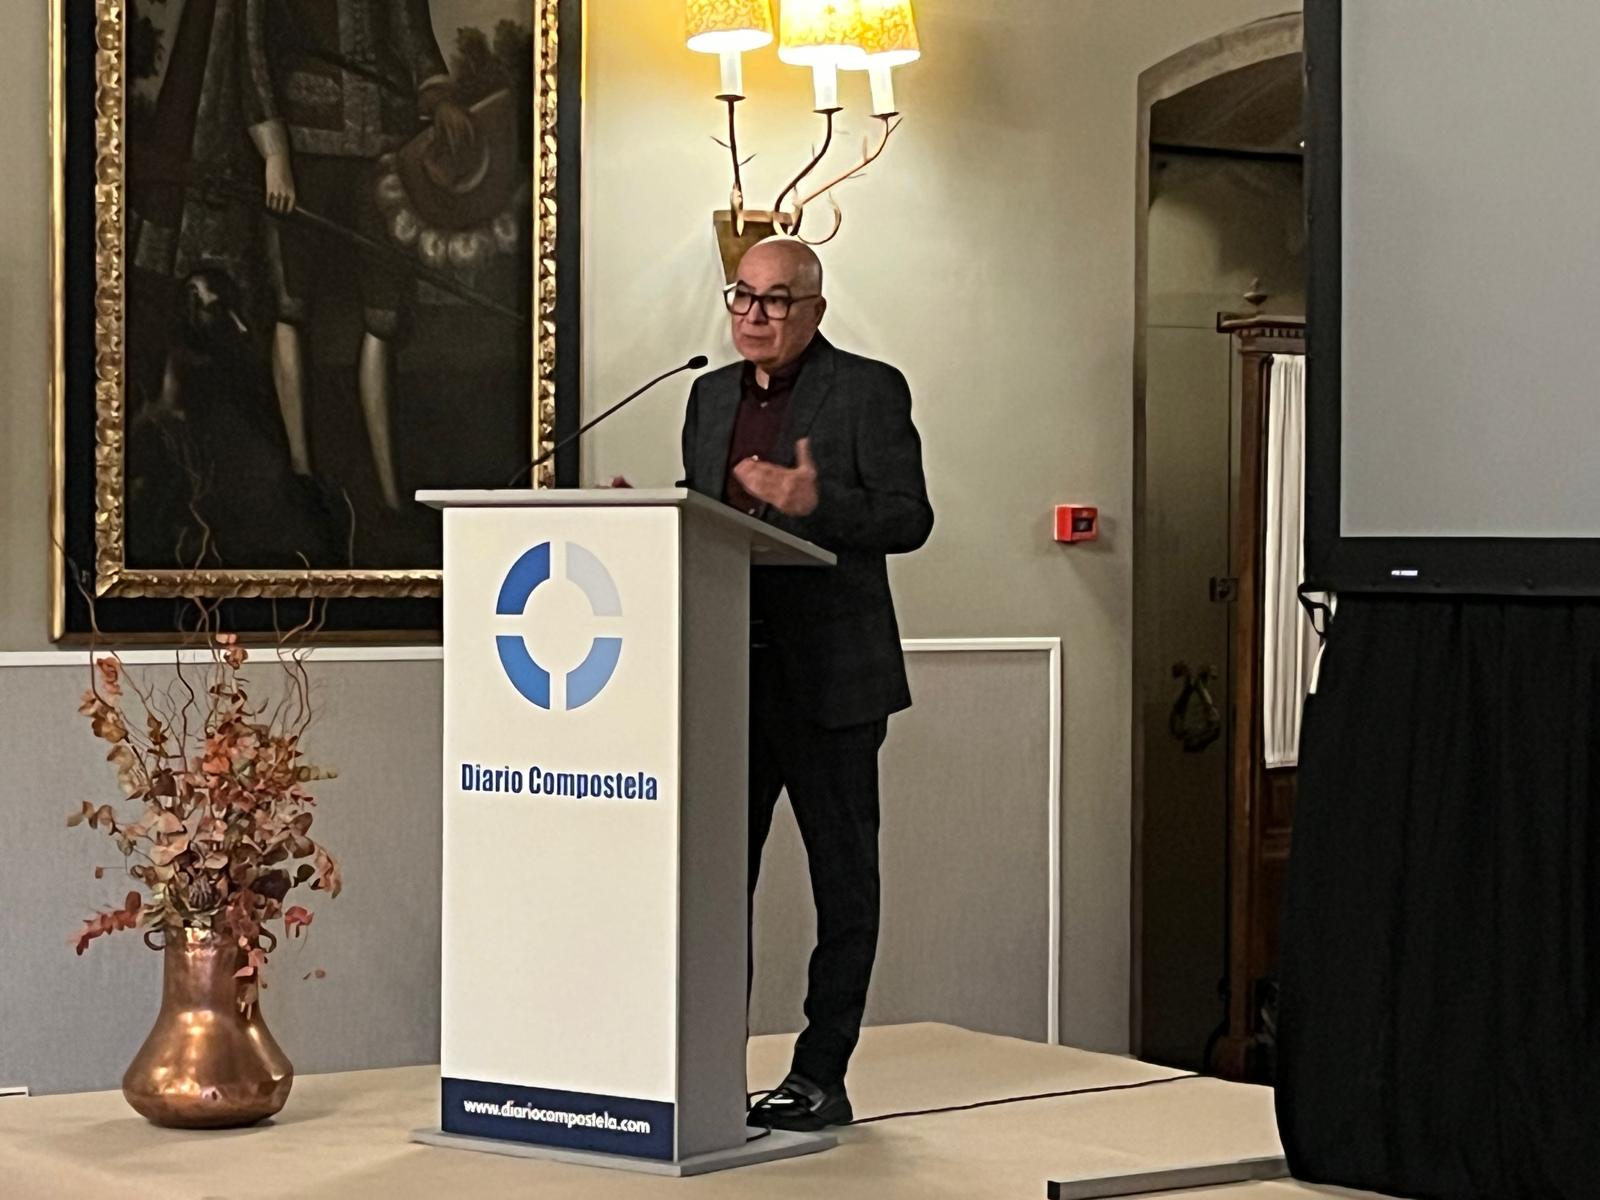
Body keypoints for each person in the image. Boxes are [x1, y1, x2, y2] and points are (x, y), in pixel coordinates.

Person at [679, 238, 934, 1130]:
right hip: (725, 680)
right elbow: (707, 516)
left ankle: (822, 1073)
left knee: (843, 887)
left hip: (832, 683)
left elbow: (910, 518)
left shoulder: (867, 389)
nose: (754, 315)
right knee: (715, 889)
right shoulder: (708, 396)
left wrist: (812, 503)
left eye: (776, 300)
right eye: (742, 296)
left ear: (814, 310)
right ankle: (708, 1069)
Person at [240, 0, 476, 510]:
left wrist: (440, 100)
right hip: (305, 147)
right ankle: (301, 477)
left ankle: (389, 494)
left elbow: (415, 41)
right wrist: (274, 151)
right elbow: (253, 49)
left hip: (385, 146)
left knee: (383, 315)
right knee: (292, 305)